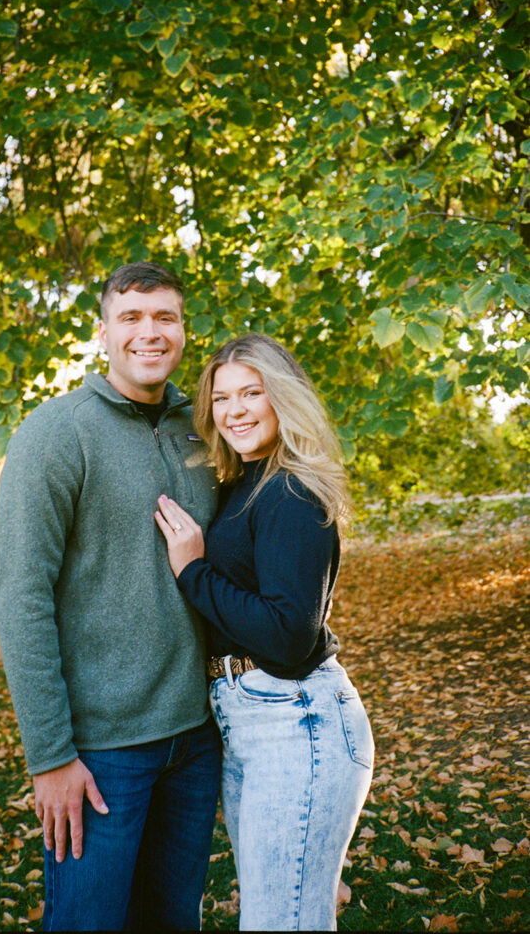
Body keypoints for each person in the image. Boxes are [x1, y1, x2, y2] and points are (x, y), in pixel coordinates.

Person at [0, 262, 222, 931]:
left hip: (193, 741)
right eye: (131, 317)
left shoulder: (202, 428)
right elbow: (18, 596)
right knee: (89, 922)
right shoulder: (55, 434)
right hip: (99, 754)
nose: (148, 332)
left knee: (174, 920)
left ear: (182, 330)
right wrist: (52, 756)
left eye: (164, 317)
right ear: (102, 334)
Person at [155, 333, 373, 932]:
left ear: (283, 398)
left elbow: (286, 637)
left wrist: (193, 571)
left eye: (252, 392)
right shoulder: (244, 482)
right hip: (251, 721)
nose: (236, 411)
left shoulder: (291, 490)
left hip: (296, 721)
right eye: (222, 398)